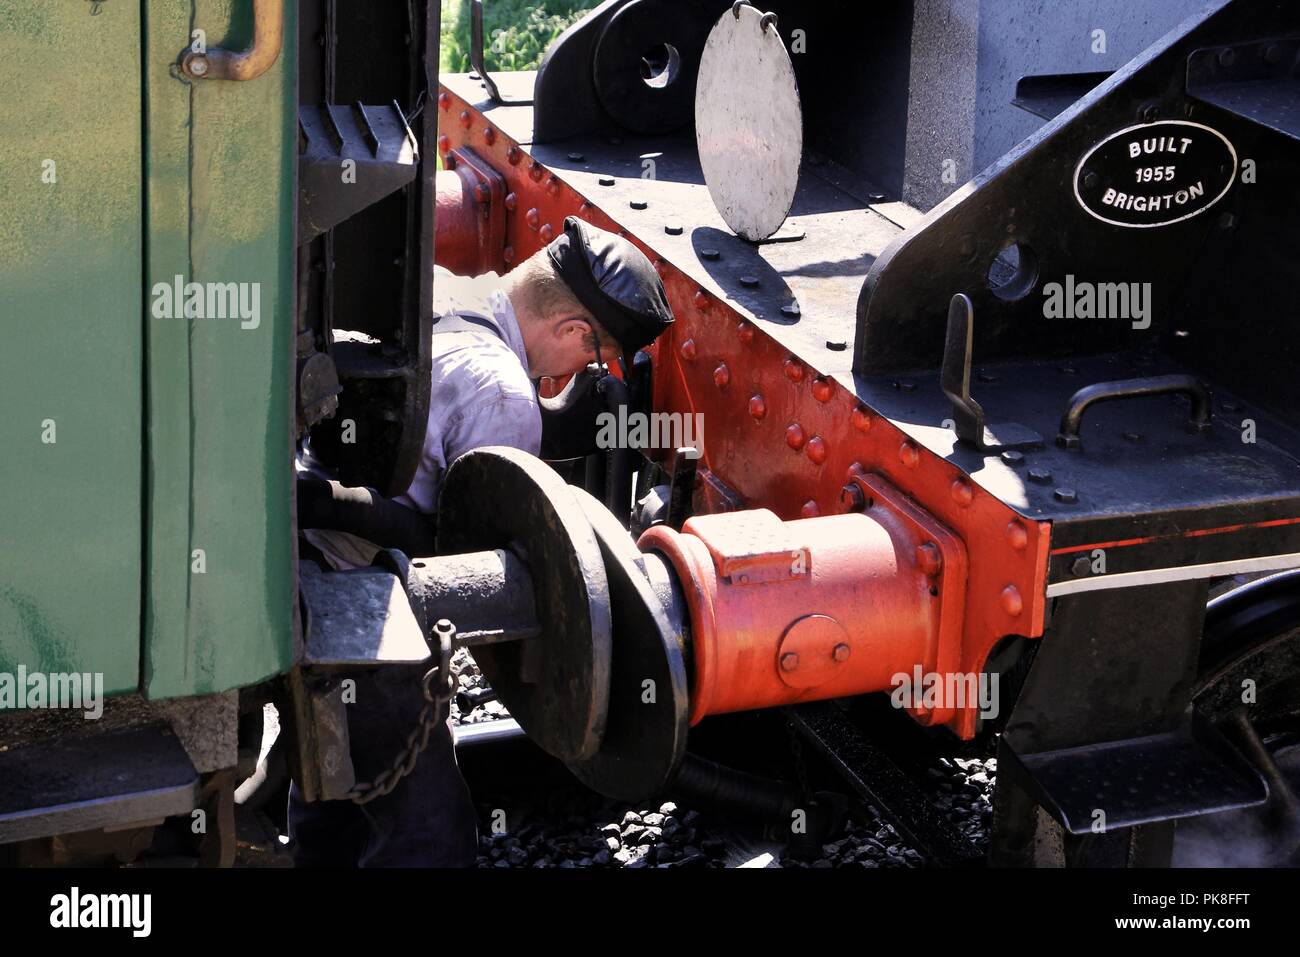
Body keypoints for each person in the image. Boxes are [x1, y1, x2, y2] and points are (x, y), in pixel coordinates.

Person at [290, 216, 674, 866]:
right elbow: (470, 563)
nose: (583, 371)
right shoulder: (503, 393)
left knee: (331, 782)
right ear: (573, 330)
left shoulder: (444, 296)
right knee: (431, 839)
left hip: (304, 565)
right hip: (363, 605)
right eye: (594, 357)